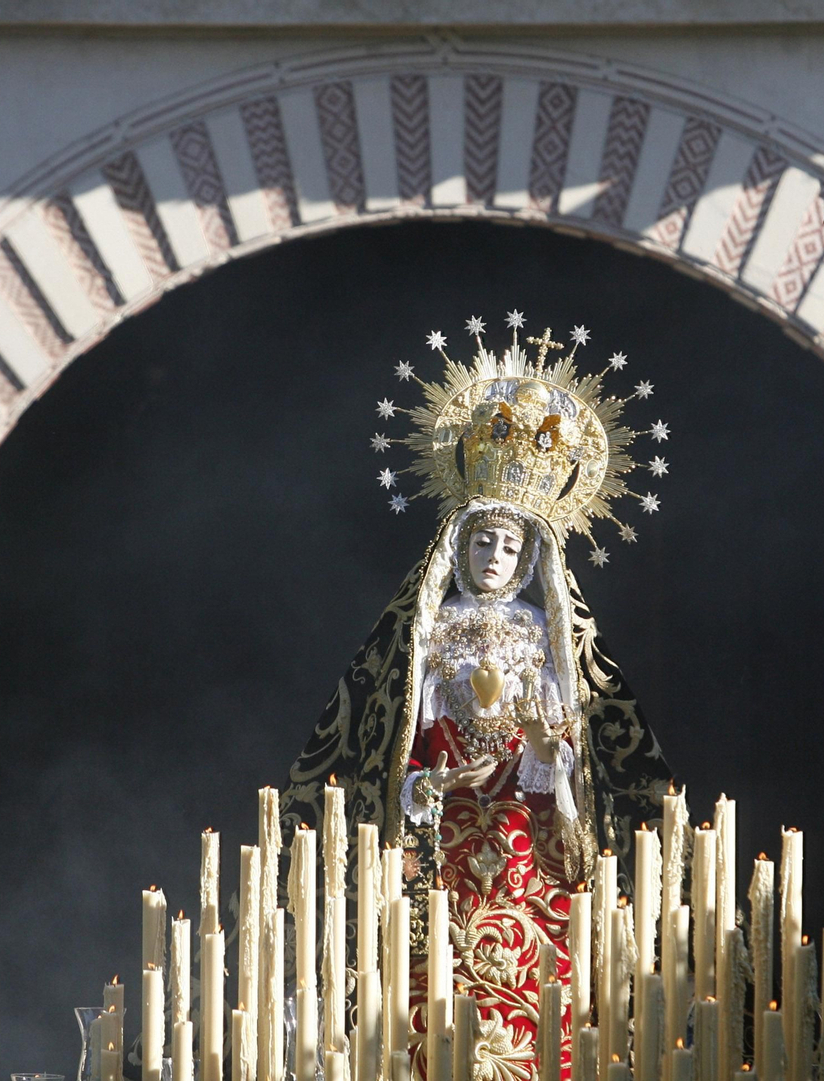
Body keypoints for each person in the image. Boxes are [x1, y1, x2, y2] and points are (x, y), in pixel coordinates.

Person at [282, 318, 674, 1081]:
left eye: (507, 547)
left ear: (530, 559)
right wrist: (426, 789)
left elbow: (572, 749)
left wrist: (539, 751)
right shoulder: (428, 631)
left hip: (526, 839)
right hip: (445, 848)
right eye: (481, 543)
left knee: (541, 985)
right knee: (425, 985)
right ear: (457, 548)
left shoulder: (547, 635)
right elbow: (402, 734)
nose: (493, 557)